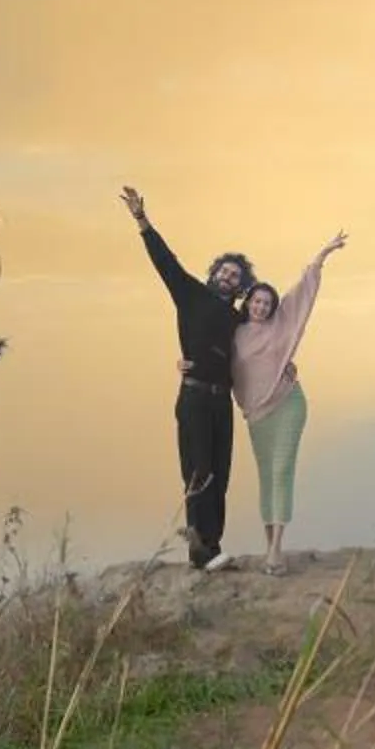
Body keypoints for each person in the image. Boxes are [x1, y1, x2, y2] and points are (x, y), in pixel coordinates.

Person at [120, 185, 249, 570]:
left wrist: (287, 368)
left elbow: (266, 344)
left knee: (221, 473)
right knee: (198, 471)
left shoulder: (240, 319)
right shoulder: (191, 295)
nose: (228, 277)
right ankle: (198, 550)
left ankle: (213, 545)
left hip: (221, 400)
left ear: (240, 286)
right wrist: (142, 220)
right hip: (193, 397)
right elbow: (166, 262)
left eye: (235, 276)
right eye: (224, 271)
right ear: (214, 273)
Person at [230, 231, 346, 576]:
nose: (262, 307)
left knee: (282, 470)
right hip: (256, 413)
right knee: (267, 476)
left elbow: (302, 296)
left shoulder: (282, 325)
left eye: (267, 302)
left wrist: (321, 255)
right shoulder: (233, 333)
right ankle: (269, 547)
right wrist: (183, 364)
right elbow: (212, 356)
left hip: (288, 404)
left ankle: (277, 549)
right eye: (257, 301)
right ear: (248, 302)